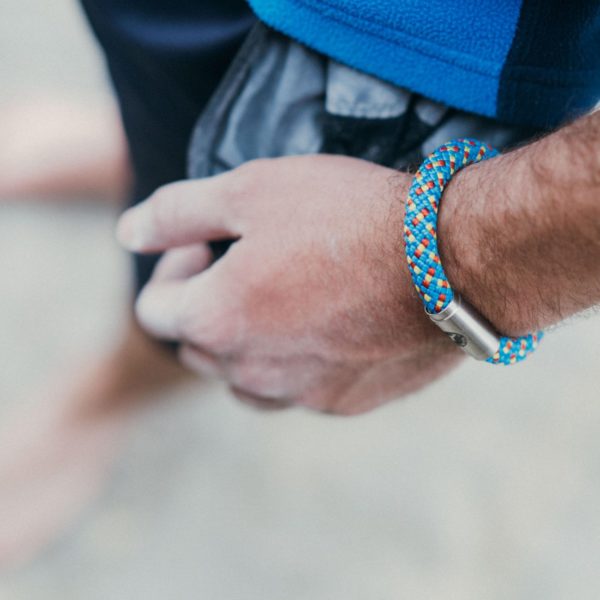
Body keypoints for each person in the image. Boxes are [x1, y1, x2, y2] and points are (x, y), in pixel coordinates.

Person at [2, 0, 599, 567]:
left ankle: (107, 399)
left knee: (211, 289)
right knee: (168, 110)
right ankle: (145, 148)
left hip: (398, 38)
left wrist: (447, 255)